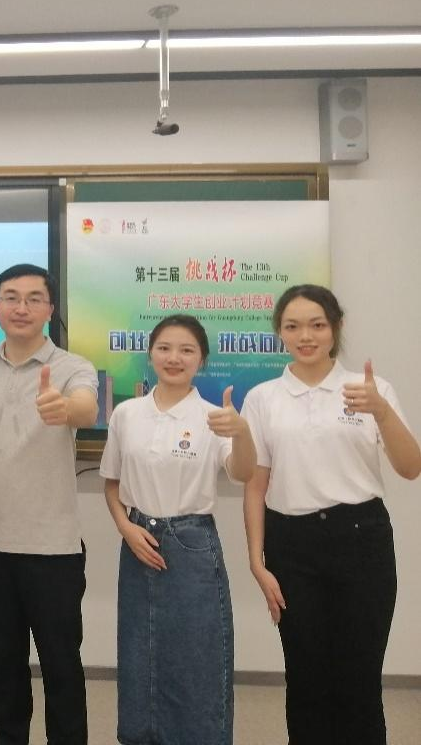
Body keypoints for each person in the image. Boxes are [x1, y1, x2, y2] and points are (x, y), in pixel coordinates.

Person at [242, 284, 420, 745]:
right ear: (279, 332)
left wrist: (382, 412)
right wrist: (257, 561)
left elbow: (410, 467)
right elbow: (255, 485)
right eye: (293, 326)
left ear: (335, 327)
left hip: (361, 539)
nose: (306, 336)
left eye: (317, 325)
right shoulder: (263, 398)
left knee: (360, 678)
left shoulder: (371, 390)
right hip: (291, 545)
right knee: (306, 678)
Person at [100, 314, 256, 745]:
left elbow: (242, 473)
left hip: (192, 542)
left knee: (198, 657)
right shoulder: (127, 414)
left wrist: (242, 433)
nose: (174, 357)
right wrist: (125, 528)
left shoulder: (213, 416)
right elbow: (111, 483)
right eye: (165, 348)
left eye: (187, 350)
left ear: (201, 359)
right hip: (138, 540)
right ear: (150, 354)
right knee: (139, 653)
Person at [0, 263, 98, 745]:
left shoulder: (73, 367)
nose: (22, 307)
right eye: (11, 297)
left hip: (53, 549)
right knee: (4, 669)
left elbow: (86, 407)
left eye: (34, 298)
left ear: (50, 308)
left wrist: (65, 409)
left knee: (62, 668)